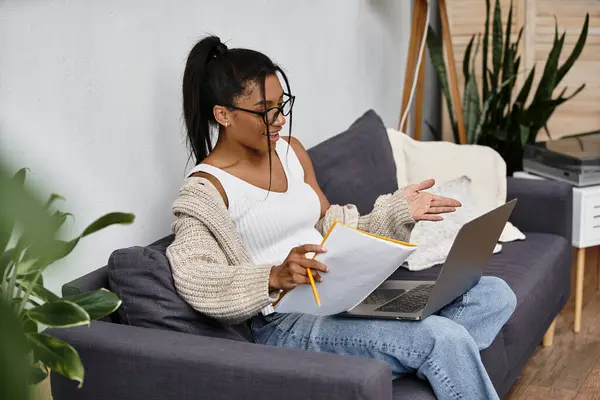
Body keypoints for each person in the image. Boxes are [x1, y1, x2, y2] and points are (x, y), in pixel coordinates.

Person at [166, 35, 517, 400]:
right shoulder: (205, 190)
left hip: (344, 295)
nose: (280, 119)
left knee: (494, 295)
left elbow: (332, 227)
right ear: (223, 115)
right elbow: (195, 276)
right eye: (265, 110)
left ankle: (407, 356)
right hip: (286, 323)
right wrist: (274, 275)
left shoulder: (291, 152)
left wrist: (397, 210)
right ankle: (422, 351)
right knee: (444, 336)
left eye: (281, 104)